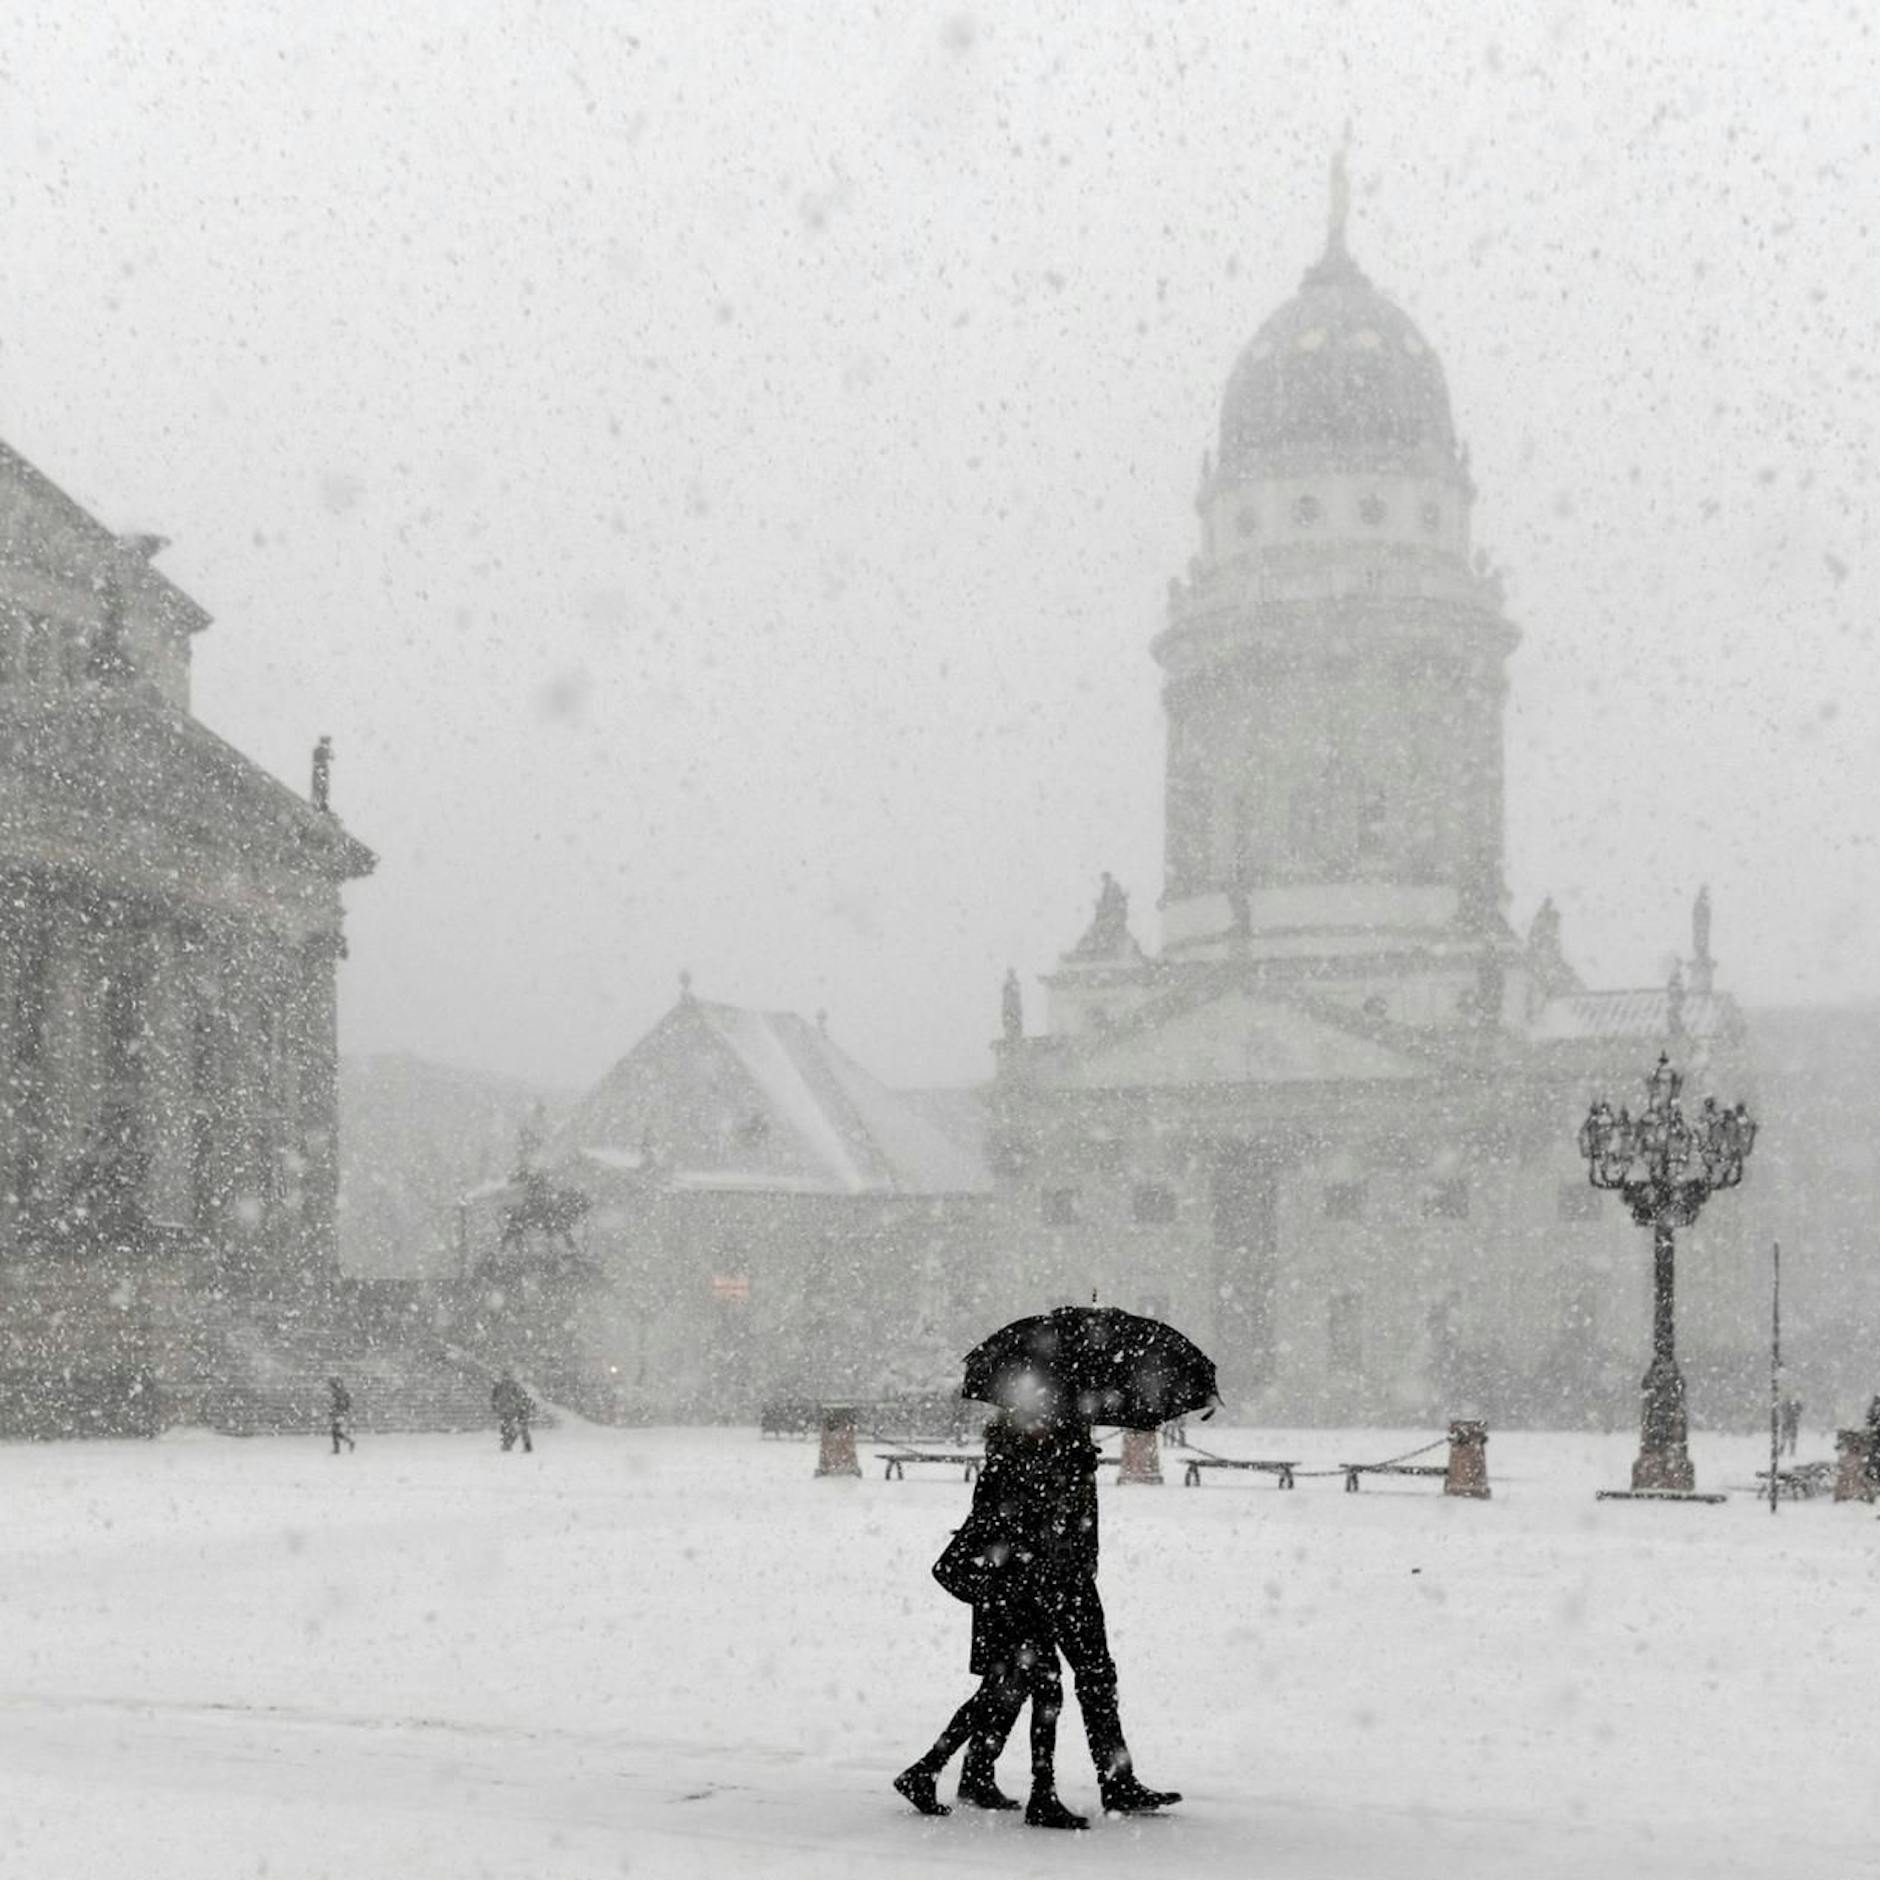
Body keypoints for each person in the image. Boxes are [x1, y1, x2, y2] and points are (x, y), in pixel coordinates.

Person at [894, 1414, 1086, 1829]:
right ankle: (1041, 1795)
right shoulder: (1013, 1468)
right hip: (1014, 1596)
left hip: (1012, 1595)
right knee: (1043, 1690)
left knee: (1001, 1692)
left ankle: (932, 1771)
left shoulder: (1017, 1462)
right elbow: (1008, 1531)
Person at [492, 1372, 535, 1453]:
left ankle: (508, 1444)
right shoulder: (502, 1387)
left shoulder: (506, 1387)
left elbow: (495, 1399)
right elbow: (494, 1399)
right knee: (514, 1428)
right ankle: (510, 1444)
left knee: (513, 1428)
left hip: (514, 1410)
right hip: (512, 1410)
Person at [326, 1377, 355, 1455]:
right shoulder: (342, 1392)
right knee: (335, 1431)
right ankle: (347, 1443)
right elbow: (345, 1404)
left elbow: (337, 1404)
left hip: (339, 1414)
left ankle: (341, 1446)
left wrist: (334, 1412)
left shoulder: (339, 1393)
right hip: (340, 1414)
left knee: (334, 1431)